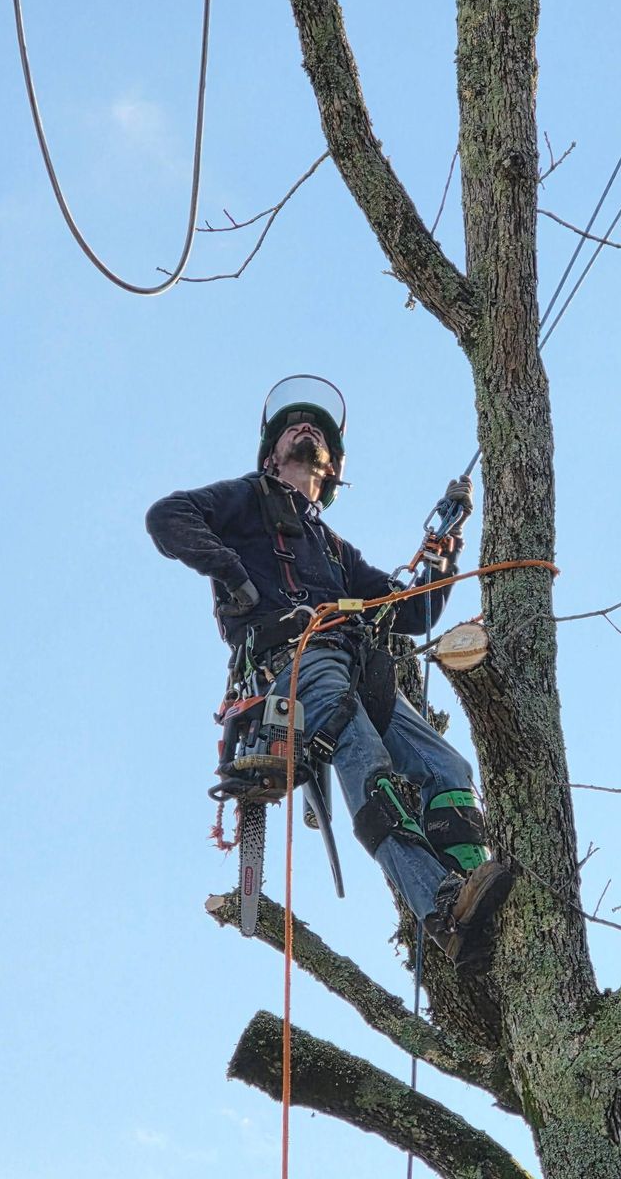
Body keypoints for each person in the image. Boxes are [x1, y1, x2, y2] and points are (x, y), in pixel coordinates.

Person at [145, 375, 512, 968]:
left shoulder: (334, 548)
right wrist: (233, 574)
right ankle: (439, 908)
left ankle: (474, 882)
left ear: (334, 472)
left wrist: (442, 555)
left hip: (358, 669)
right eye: (294, 426)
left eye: (317, 429)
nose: (306, 428)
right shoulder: (248, 498)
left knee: (447, 765)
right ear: (272, 455)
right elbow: (168, 516)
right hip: (293, 660)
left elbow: (408, 612)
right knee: (367, 762)